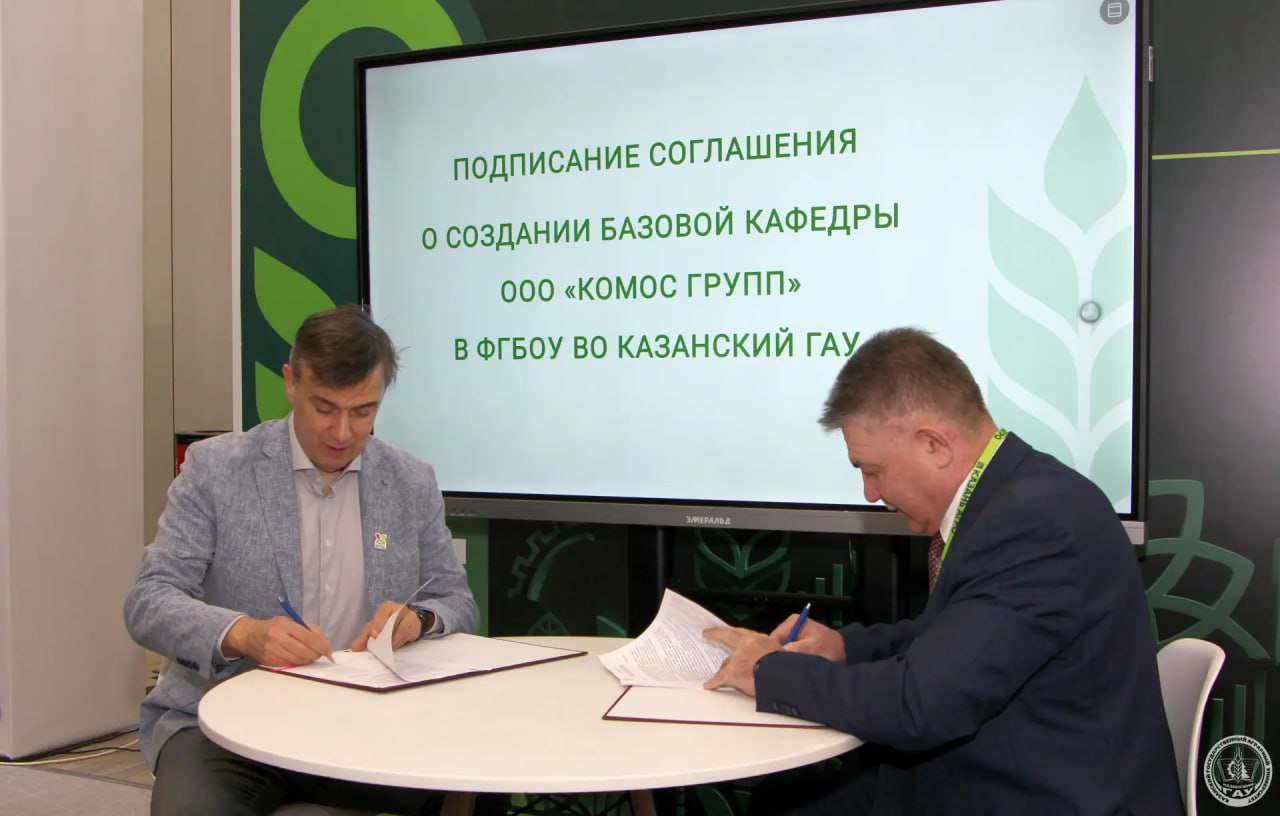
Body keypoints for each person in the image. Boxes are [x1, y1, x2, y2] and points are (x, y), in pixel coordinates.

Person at [704, 327, 1181, 815]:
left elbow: (920, 706)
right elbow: (956, 639)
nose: (870, 493)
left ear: (934, 444)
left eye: (872, 470)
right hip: (1002, 772)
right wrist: (845, 648)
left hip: (1040, 796)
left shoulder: (1034, 523)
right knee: (782, 802)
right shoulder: (1018, 495)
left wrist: (768, 672)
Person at [125, 305, 479, 816]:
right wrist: (244, 634)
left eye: (363, 411)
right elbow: (149, 600)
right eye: (324, 408)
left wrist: (418, 620)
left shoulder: (410, 482)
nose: (342, 432)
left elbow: (457, 602)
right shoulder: (216, 469)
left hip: (367, 725)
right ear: (291, 382)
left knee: (473, 789)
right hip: (225, 721)